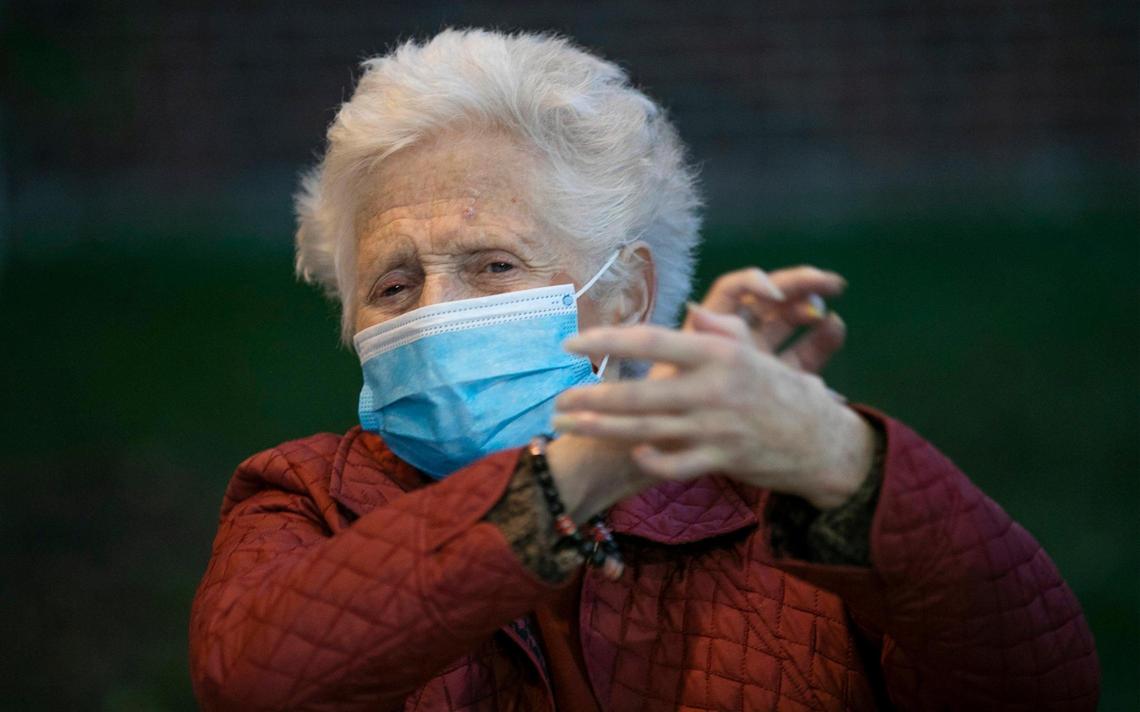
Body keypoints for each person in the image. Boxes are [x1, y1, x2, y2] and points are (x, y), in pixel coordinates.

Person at [188, 28, 1099, 711]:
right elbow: (252, 680)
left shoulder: (770, 492)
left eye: (492, 266)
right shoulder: (303, 497)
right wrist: (571, 480)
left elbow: (1036, 684)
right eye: (392, 282)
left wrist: (847, 465)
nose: (434, 308)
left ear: (623, 296)